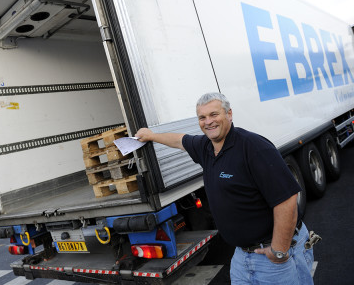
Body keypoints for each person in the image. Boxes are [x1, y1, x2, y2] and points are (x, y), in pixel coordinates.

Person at [135, 92, 314, 284]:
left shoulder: (253, 147)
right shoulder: (206, 147)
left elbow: (287, 200)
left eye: (214, 114)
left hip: (273, 256)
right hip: (242, 256)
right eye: (202, 117)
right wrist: (151, 135)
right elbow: (180, 140)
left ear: (229, 114)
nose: (208, 122)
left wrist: (279, 251)